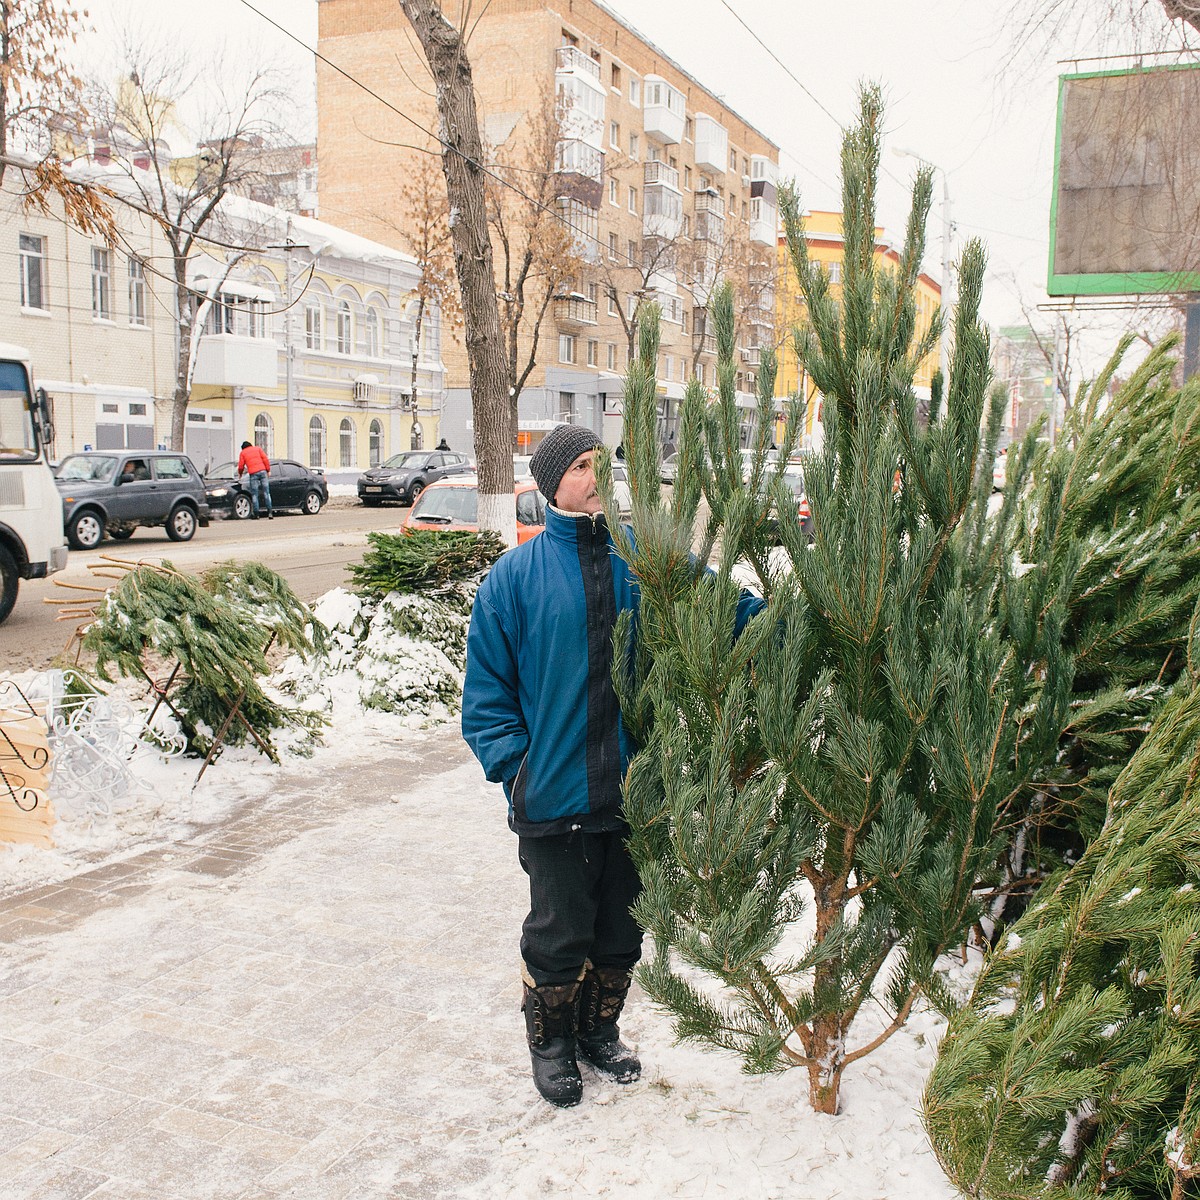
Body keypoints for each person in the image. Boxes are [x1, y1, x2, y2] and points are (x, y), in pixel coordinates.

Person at [461, 424, 763, 1108]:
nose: (599, 476)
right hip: (554, 798)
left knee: (622, 929)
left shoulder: (645, 560)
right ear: (551, 483)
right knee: (559, 931)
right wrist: (519, 772)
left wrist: (789, 621)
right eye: (584, 466)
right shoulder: (515, 580)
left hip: (637, 794)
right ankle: (552, 1045)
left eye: (604, 463)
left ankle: (600, 1032)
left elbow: (728, 610)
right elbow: (486, 702)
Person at [237, 440, 272, 519]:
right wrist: (268, 470)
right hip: (263, 472)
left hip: (253, 473)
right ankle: (270, 513)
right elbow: (265, 459)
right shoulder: (258, 449)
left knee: (254, 494)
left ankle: (256, 514)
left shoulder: (243, 453)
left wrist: (240, 474)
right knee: (266, 493)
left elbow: (241, 466)